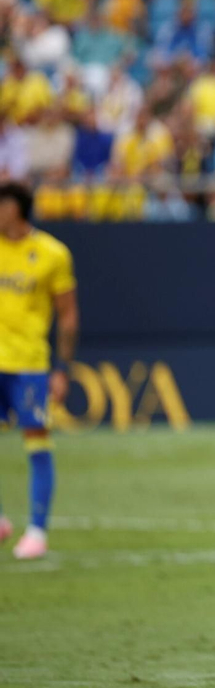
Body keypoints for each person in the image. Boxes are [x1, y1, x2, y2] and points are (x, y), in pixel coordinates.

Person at [0, 182, 79, 560]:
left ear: (17, 207)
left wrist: (61, 369)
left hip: (29, 364)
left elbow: (67, 315)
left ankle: (36, 530)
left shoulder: (51, 253)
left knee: (36, 444)